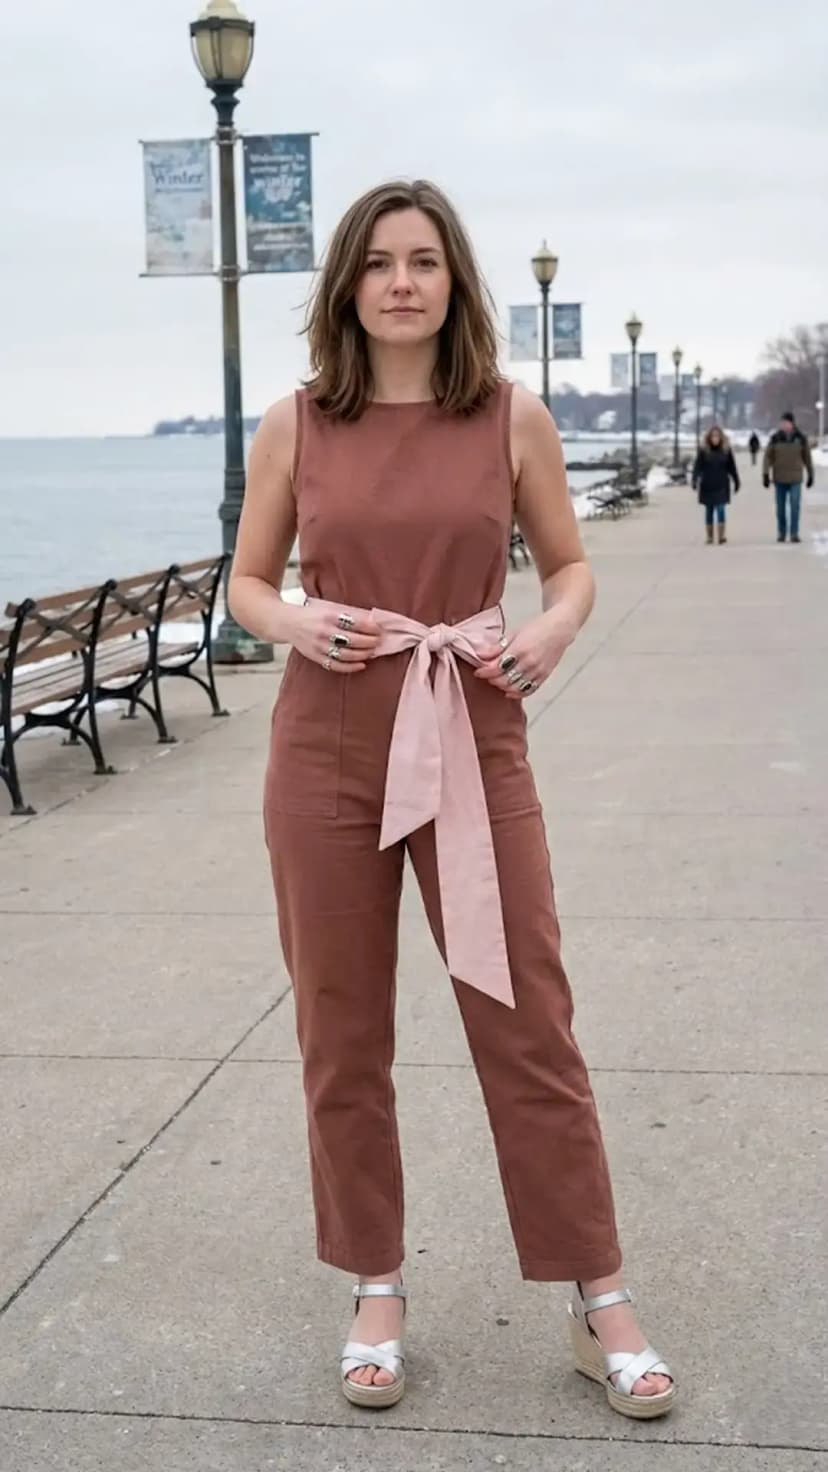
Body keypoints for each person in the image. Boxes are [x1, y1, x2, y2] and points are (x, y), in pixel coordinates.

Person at [228, 179, 675, 1421]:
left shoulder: (508, 416)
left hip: (475, 732)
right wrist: (299, 618)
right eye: (379, 263)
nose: (404, 281)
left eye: (425, 260)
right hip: (328, 744)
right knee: (343, 1028)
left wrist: (553, 631)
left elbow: (572, 565)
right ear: (347, 287)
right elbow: (248, 584)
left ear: (456, 281)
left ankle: (600, 1295)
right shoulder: (298, 423)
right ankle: (375, 1280)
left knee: (527, 1015)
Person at [763, 411, 814, 543]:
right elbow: (768, 457)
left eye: (786, 422)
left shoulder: (800, 438)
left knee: (795, 505)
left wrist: (810, 474)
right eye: (782, 423)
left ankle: (794, 533)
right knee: (780, 508)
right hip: (779, 478)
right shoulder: (775, 438)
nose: (784, 425)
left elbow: (807, 458)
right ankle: (782, 532)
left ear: (792, 423)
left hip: (795, 478)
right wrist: (765, 473)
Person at [692, 425, 740, 544]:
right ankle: (709, 536)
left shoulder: (726, 451)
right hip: (707, 484)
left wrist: (736, 480)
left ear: (721, 437)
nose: (715, 438)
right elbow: (698, 466)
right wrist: (694, 479)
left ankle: (721, 536)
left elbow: (732, 467)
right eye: (713, 436)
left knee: (721, 509)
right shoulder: (704, 451)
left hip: (721, 484)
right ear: (709, 438)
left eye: (717, 436)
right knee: (709, 510)